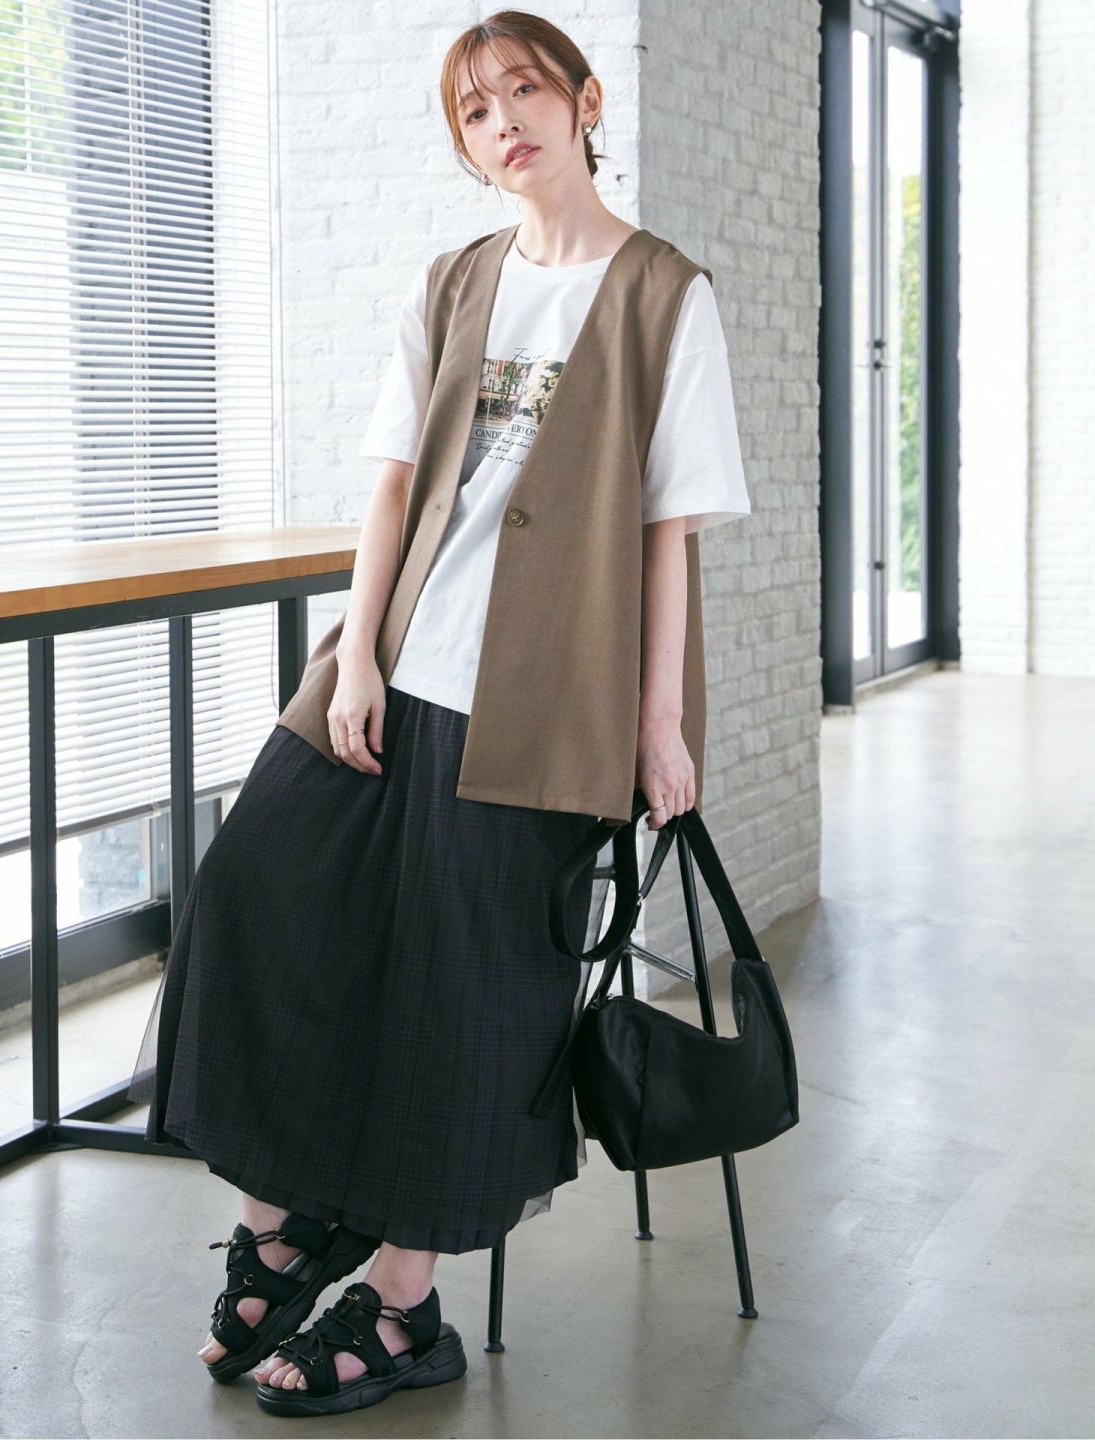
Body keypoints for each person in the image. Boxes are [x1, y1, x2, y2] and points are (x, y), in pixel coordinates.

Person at [128, 8, 750, 1420]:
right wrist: (352, 658)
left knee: (467, 994)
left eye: (523, 90)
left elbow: (669, 531)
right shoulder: (455, 280)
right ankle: (287, 1223)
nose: (503, 123)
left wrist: (659, 724)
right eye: (474, 110)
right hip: (397, 671)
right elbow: (395, 482)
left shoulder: (667, 296)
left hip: (552, 706)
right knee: (254, 892)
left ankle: (406, 1306)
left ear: (585, 100)